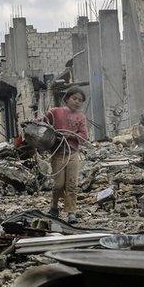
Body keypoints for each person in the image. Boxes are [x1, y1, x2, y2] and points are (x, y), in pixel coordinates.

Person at [41, 87, 88, 223]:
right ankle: (54, 207)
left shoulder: (81, 117)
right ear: (67, 98)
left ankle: (71, 213)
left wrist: (70, 135)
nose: (77, 102)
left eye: (80, 100)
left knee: (72, 184)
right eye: (74, 98)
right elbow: (41, 121)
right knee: (59, 185)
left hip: (72, 154)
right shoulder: (55, 112)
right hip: (58, 154)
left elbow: (84, 136)